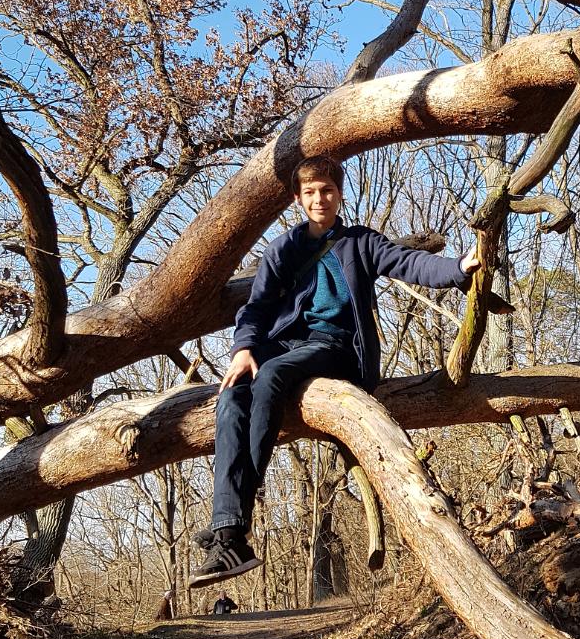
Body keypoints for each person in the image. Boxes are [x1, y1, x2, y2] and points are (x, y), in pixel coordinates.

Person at [190, 155, 479, 588]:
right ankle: (230, 530)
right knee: (232, 393)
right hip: (284, 343)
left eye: (326, 190)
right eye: (309, 192)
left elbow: (409, 263)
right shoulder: (283, 249)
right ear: (297, 198)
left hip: (336, 346)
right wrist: (243, 348)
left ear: (339, 194)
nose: (319, 199)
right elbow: (257, 307)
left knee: (272, 377)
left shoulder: (360, 243)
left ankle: (230, 529)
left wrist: (458, 267)